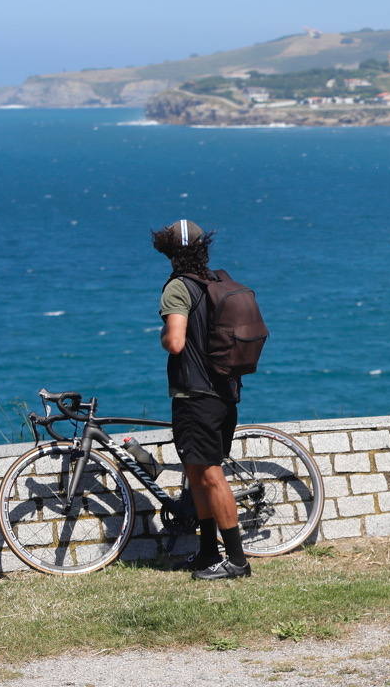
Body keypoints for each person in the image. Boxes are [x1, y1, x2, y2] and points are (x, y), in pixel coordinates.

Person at [153, 220, 250, 580]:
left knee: (210, 475)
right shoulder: (214, 282)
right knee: (197, 473)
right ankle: (208, 552)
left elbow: (175, 342)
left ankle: (237, 561)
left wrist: (164, 332)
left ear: (168, 250)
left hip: (195, 394)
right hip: (224, 391)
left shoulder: (179, 288)